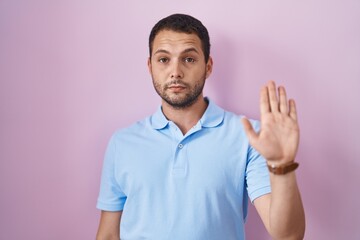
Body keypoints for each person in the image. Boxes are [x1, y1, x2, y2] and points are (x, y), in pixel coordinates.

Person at [96, 13, 305, 240]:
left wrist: (282, 165)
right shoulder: (122, 143)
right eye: (164, 59)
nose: (175, 71)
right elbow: (108, 234)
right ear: (150, 66)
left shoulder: (249, 136)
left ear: (208, 66)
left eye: (189, 59)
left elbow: (289, 235)